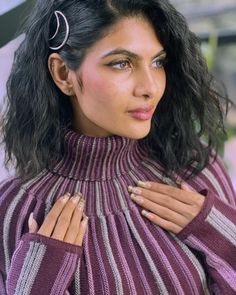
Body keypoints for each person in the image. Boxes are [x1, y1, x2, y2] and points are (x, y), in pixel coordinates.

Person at [0, 0, 235, 294]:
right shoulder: (14, 211)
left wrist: (223, 238)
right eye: (121, 63)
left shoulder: (193, 168)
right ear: (63, 74)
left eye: (158, 62)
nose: (150, 87)